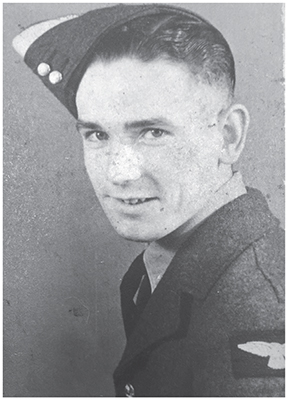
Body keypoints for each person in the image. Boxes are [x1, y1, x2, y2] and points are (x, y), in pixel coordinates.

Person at [12, 3, 284, 397]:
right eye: (97, 135)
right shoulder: (180, 264)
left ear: (228, 135)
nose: (119, 172)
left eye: (153, 132)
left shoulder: (259, 306)